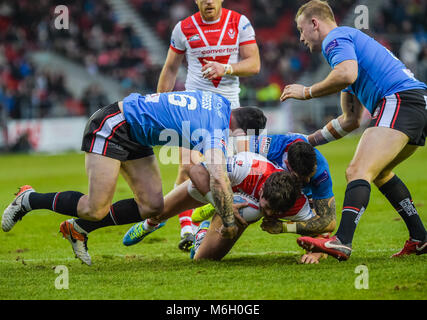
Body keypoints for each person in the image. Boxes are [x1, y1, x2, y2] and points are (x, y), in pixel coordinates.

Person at [2, 90, 266, 265]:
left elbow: (201, 172)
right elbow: (217, 178)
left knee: (153, 205)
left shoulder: (219, 101)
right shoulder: (215, 131)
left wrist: (217, 200)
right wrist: (228, 219)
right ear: (240, 130)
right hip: (113, 126)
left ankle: (78, 229)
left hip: (137, 134)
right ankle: (29, 199)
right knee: (94, 208)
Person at [281, 0, 427, 260]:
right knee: (380, 173)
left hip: (400, 100)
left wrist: (306, 92)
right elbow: (350, 119)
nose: (301, 38)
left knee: (357, 171)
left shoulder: (336, 38)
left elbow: (346, 74)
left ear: (314, 23)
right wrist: (308, 140)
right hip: (413, 103)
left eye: (301, 30)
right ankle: (420, 238)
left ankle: (342, 241)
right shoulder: (348, 52)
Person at [157, 0, 261, 251]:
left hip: (229, 111)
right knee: (187, 165)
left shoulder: (239, 23)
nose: (208, 1)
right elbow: (170, 68)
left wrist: (225, 68)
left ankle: (204, 228)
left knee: (222, 173)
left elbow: (254, 64)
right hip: (194, 108)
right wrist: (160, 105)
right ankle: (186, 229)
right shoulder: (184, 28)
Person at [193, 135, 336, 236]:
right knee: (249, 208)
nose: (306, 181)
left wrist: (284, 227)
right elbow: (229, 148)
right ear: (287, 165)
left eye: (310, 176)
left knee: (313, 219)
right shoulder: (272, 146)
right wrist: (224, 200)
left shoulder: (320, 174)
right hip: (261, 188)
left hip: (288, 197)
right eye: (301, 178)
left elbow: (328, 222)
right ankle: (216, 207)